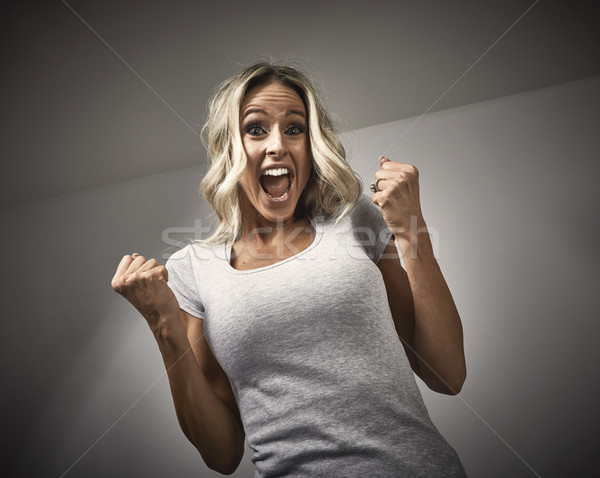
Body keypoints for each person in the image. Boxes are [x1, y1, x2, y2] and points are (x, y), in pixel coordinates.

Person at [111, 62, 467, 477]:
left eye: (294, 129)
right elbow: (222, 453)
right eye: (256, 129)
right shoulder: (194, 269)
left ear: (310, 145)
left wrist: (411, 229)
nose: (277, 145)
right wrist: (163, 325)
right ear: (229, 147)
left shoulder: (354, 220)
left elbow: (447, 375)